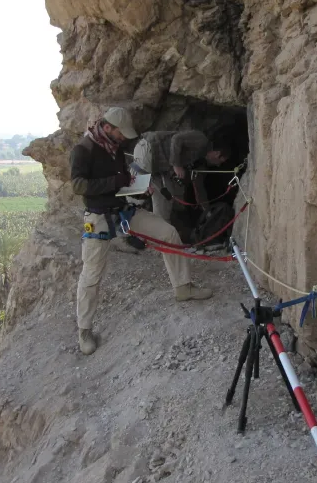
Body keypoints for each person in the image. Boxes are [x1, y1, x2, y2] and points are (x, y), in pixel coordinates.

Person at [70, 107, 213, 356]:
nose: (123, 138)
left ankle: (183, 288)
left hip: (124, 209)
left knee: (168, 233)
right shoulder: (83, 150)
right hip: (99, 217)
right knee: (91, 274)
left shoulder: (113, 149)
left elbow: (122, 177)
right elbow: (79, 185)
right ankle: (84, 330)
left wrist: (137, 187)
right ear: (107, 127)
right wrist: (118, 183)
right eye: (120, 133)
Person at [131, 129, 231, 223]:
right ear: (217, 153)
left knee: (167, 199)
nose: (218, 165)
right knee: (136, 196)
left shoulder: (200, 162)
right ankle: (128, 213)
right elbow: (177, 139)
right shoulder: (201, 139)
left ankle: (159, 233)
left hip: (159, 169)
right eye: (220, 161)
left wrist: (208, 212)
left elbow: (199, 188)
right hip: (149, 149)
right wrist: (177, 165)